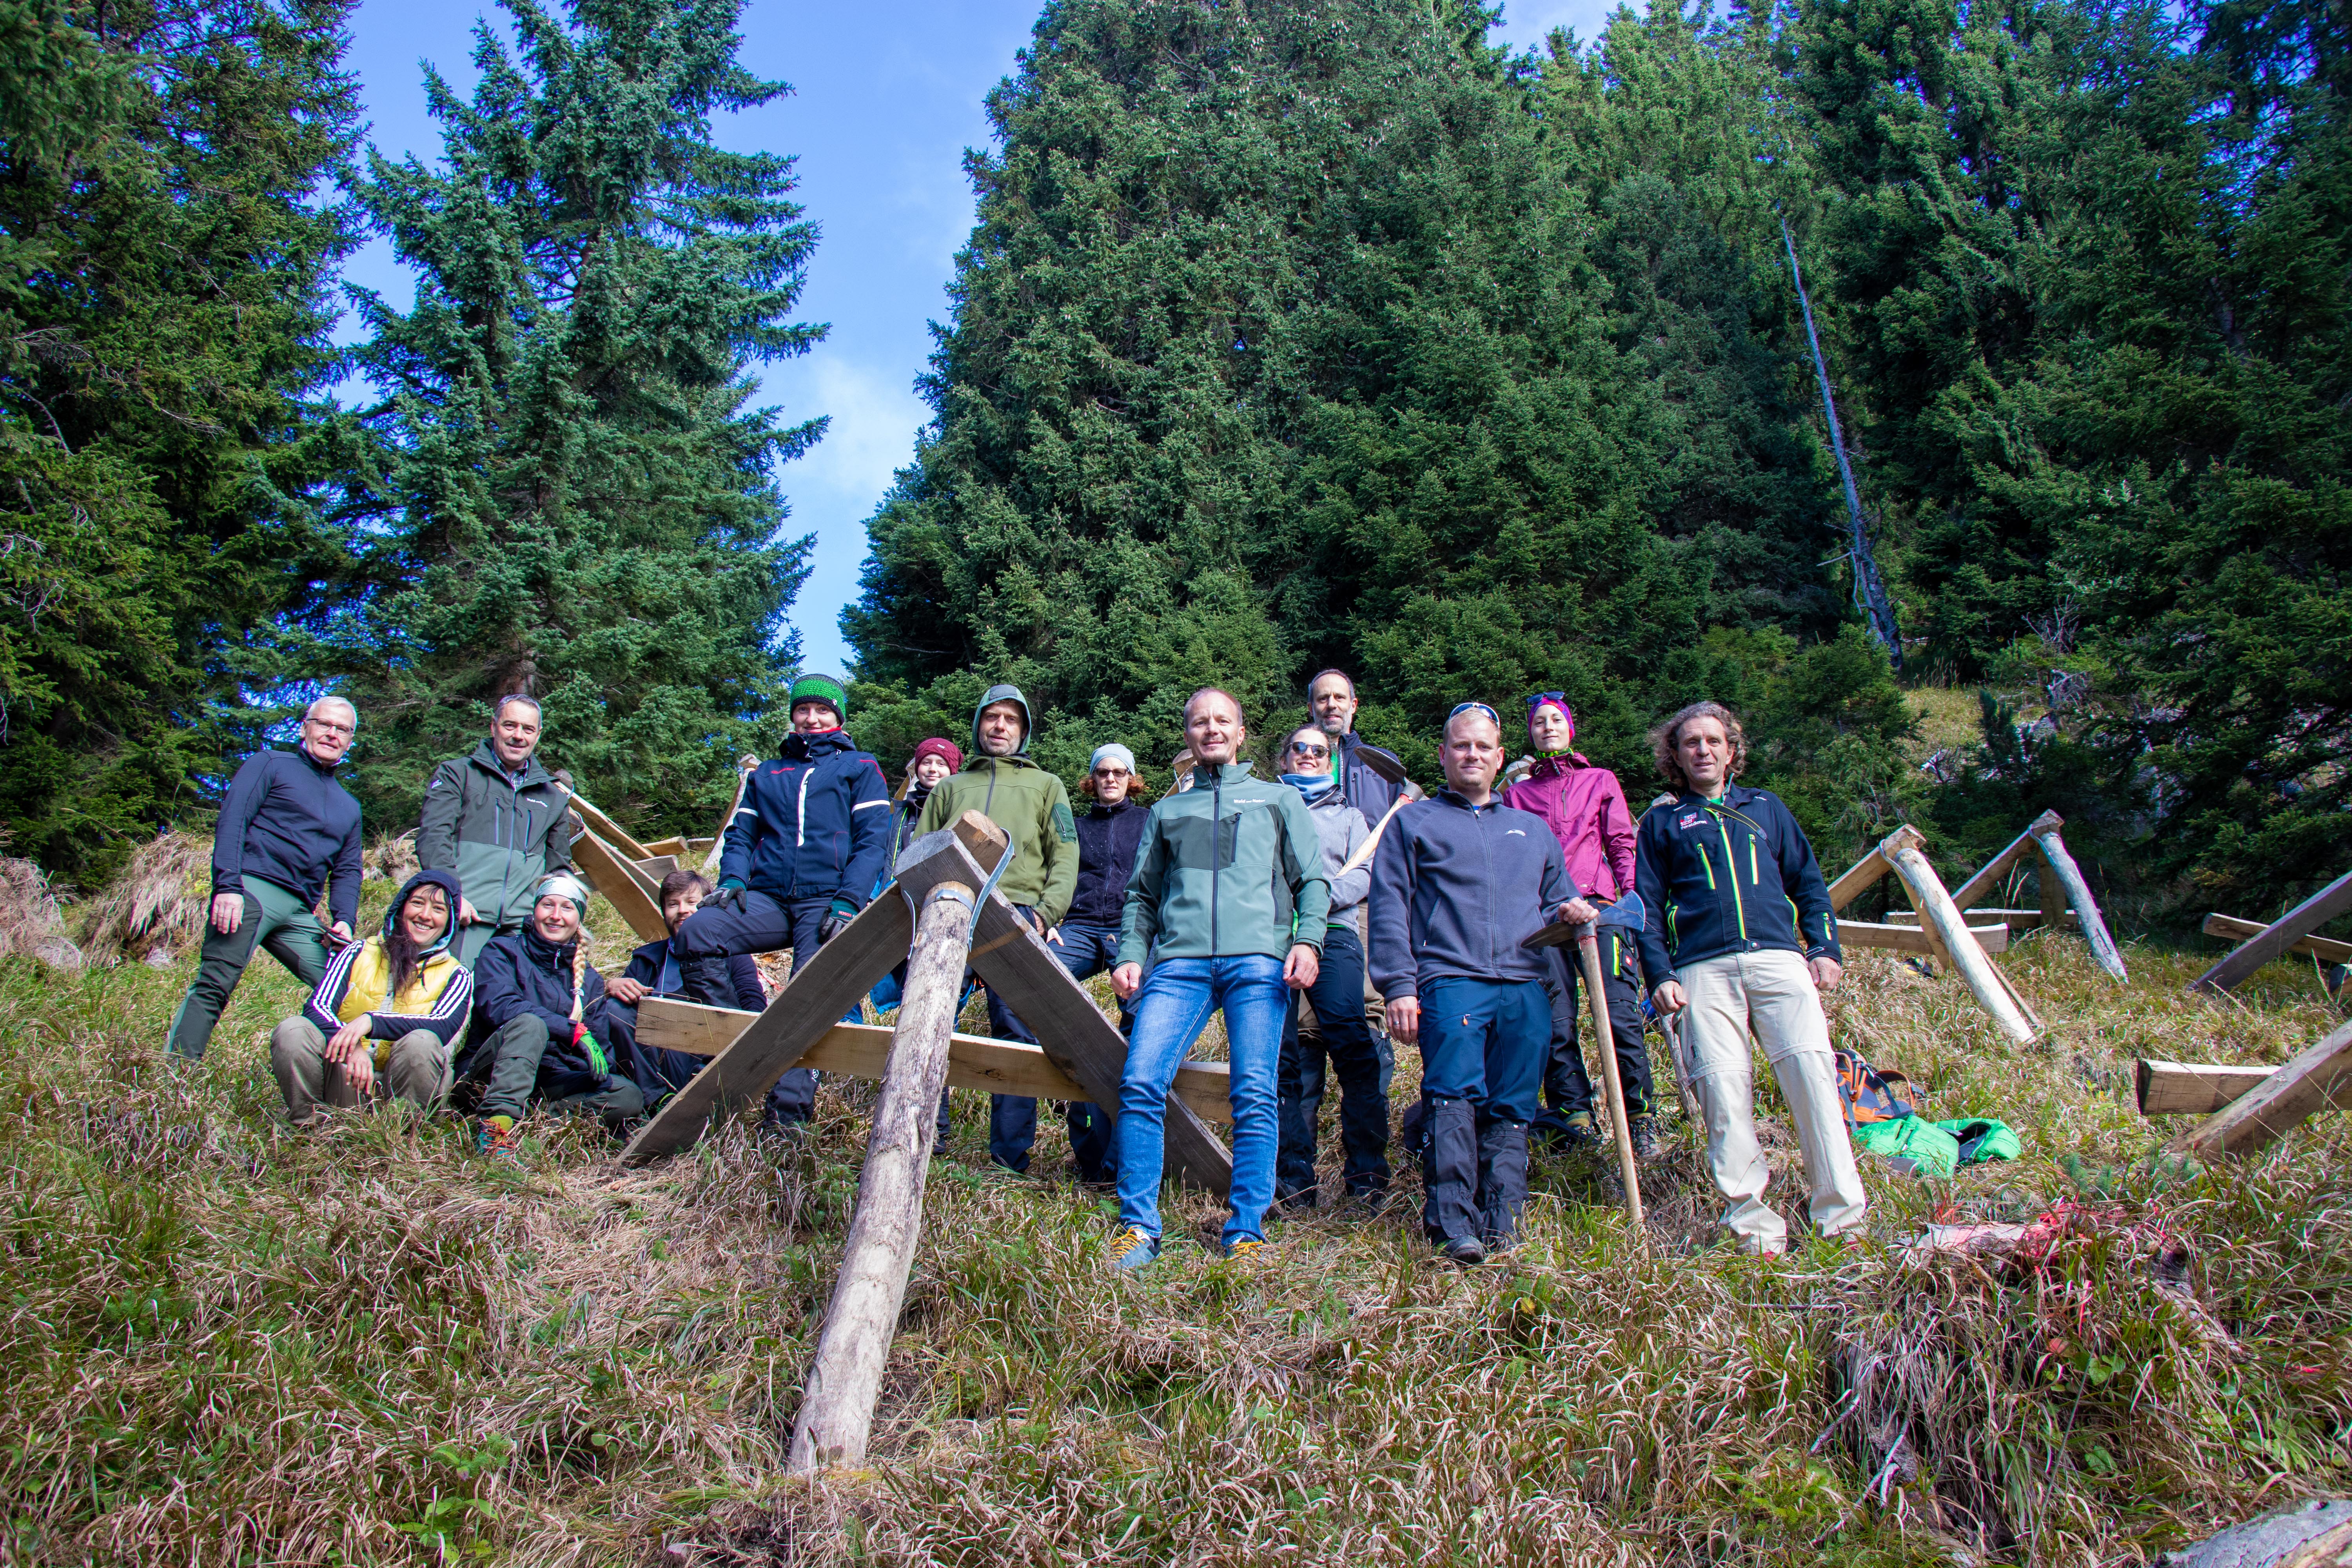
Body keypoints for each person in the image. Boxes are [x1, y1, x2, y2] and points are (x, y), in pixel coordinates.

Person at [1109, 688, 1330, 1269]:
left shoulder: (1277, 800)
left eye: (1222, 721)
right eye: (1199, 722)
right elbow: (1141, 895)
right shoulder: (1167, 811)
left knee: (1255, 1092)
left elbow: (1313, 881)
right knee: (1139, 1081)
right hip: (1178, 966)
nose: (1211, 729)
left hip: (1258, 961)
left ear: (1241, 733)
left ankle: (1246, 1230)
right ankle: (1137, 1227)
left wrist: (1308, 941)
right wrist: (1133, 953)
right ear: (1188, 735)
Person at [1634, 700, 1865, 1254]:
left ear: (1732, 750)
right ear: (1675, 755)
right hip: (1701, 969)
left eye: (1714, 741)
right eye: (1691, 743)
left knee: (1813, 1084)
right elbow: (1646, 904)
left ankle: (1842, 1222)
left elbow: (1808, 881)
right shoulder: (1663, 823)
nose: (1703, 750)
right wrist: (1659, 974)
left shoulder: (1765, 808)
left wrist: (1825, 947)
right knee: (1722, 1094)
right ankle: (1755, 1231)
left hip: (1780, 960)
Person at [1370, 702, 1595, 1266]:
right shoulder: (1413, 823)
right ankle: (1453, 1224)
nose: (1471, 755)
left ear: (1500, 758)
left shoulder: (1533, 829)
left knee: (1514, 1104)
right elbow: (1389, 908)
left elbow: (1554, 897)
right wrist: (1400, 986)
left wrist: (1570, 909)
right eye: (1460, 746)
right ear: (1443, 755)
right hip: (1451, 980)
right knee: (1452, 1097)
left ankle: (1505, 1222)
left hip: (1525, 986)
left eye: (1482, 747)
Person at [671, 673, 892, 1131]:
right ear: (793, 716)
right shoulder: (769, 772)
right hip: (767, 896)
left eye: (823, 710)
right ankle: (738, 1045)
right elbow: (742, 833)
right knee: (698, 930)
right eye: (803, 710)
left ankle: (786, 1118)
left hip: (826, 901)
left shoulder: (860, 767)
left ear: (839, 716)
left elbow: (873, 843)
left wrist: (848, 901)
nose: (812, 719)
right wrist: (732, 878)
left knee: (806, 994)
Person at [913, 684, 1080, 1173]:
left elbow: (1066, 855)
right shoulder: (948, 788)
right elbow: (920, 850)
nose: (1000, 726)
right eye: (992, 718)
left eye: (1011, 719)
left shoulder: (1048, 786)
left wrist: (1046, 913)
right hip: (949, 909)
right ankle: (927, 1134)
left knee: (1016, 1030)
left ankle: (1009, 1157)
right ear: (979, 726)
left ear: (1024, 730)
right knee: (930, 1018)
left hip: (1018, 912)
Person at [169, 697, 364, 1061]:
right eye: (324, 724)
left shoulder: (349, 806)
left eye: (342, 729)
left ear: (350, 740)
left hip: (300, 912)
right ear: (305, 727)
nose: (331, 734)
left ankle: (346, 1078)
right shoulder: (271, 764)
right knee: (216, 983)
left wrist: (344, 920)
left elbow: (349, 869)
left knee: (342, 986)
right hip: (251, 890)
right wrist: (227, 886)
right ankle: (174, 1076)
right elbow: (233, 821)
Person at [1499, 693, 1653, 1155]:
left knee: (1620, 1014)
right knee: (1555, 1020)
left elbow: (1622, 842)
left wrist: (1631, 900)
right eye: (1539, 722)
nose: (1548, 727)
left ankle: (1640, 1116)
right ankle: (1575, 1114)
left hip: (1601, 909)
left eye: (1556, 720)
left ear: (1570, 728)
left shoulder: (1599, 780)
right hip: (1546, 919)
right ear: (1529, 732)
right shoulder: (1517, 795)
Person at [1272, 724, 1388, 1207]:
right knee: (1281, 1057)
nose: (1309, 756)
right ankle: (1293, 1179)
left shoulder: (1351, 817)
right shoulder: (1266, 808)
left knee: (1353, 1042)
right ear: (1286, 757)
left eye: (1319, 751)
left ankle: (1367, 1176)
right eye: (1299, 747)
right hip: (1274, 936)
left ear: (1330, 762)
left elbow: (1363, 873)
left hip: (1335, 935)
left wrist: (1317, 901)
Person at [457, 873, 644, 1158]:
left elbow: (600, 1048)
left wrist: (599, 1071)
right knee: (531, 1024)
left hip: (548, 1081)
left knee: (627, 1095)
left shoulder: (589, 979)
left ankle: (539, 1120)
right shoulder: (502, 951)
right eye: (548, 905)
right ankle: (496, 1130)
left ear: (578, 919)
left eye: (567, 908)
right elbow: (499, 1005)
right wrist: (572, 1032)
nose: (556, 916)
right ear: (535, 911)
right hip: (491, 1072)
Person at [1034, 742, 1151, 1184]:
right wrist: (1050, 920)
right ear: (1092, 779)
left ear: (1132, 778)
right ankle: (1059, 1074)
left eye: (1120, 772)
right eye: (1102, 772)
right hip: (1079, 927)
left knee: (1140, 1022)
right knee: (1034, 976)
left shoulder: (1148, 820)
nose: (1110, 779)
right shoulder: (1075, 827)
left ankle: (1118, 1160)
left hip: (1131, 929)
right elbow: (1055, 873)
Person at [270, 869, 474, 1120]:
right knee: (294, 1029)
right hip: (347, 1081)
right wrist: (353, 1046)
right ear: (401, 908)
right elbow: (318, 1006)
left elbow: (442, 1026)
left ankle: (403, 1138)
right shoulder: (358, 951)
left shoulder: (457, 974)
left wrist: (370, 1022)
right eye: (418, 903)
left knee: (422, 1041)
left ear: (450, 920)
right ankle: (309, 1127)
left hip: (408, 1090)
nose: (425, 915)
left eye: (439, 909)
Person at [417, 693, 576, 966]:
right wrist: (453, 895)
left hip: (521, 928)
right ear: (494, 727)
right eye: (510, 726)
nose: (518, 736)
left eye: (528, 729)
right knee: (456, 999)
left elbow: (558, 865)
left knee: (508, 1005)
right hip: (466, 917)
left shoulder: (553, 797)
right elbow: (434, 838)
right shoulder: (457, 775)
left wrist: (559, 912)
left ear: (538, 735)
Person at [604, 867, 769, 1108]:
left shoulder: (734, 953)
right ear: (664, 911)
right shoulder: (647, 959)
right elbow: (619, 1015)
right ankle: (658, 1101)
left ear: (708, 907)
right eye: (673, 904)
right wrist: (611, 985)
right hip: (654, 1061)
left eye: (692, 902)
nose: (682, 910)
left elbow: (754, 1008)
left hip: (709, 1059)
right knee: (614, 1010)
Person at [1307, 669, 1411, 819]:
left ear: (1353, 706)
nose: (1331, 705)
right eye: (1323, 699)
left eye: (1340, 697)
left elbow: (1402, 824)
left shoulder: (1384, 763)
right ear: (1311, 709)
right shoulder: (1299, 761)